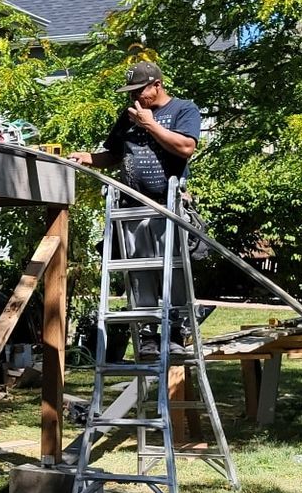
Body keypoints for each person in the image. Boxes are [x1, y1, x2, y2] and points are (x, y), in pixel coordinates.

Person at [71, 61, 203, 356]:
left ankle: (177, 332)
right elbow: (114, 154)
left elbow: (185, 148)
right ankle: (146, 336)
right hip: (131, 208)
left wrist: (150, 125)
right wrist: (88, 158)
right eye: (130, 93)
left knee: (173, 271)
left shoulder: (183, 109)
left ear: (157, 85)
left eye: (139, 91)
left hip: (167, 207)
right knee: (139, 274)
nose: (134, 99)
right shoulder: (129, 115)